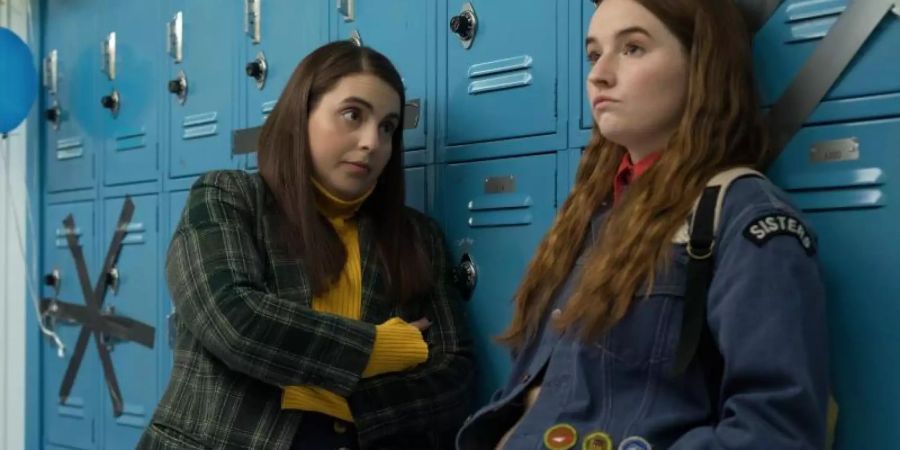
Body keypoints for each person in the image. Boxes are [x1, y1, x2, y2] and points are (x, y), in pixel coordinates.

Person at [456, 0, 829, 448]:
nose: (599, 75)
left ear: (701, 64)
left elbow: (775, 430)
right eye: (594, 54)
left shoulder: (743, 216)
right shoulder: (590, 211)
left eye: (632, 48)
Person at [138, 41, 473, 450]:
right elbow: (232, 320)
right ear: (302, 115)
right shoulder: (228, 197)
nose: (372, 141)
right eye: (353, 115)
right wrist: (376, 349)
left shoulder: (416, 235)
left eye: (388, 127)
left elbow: (454, 373)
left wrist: (348, 402)